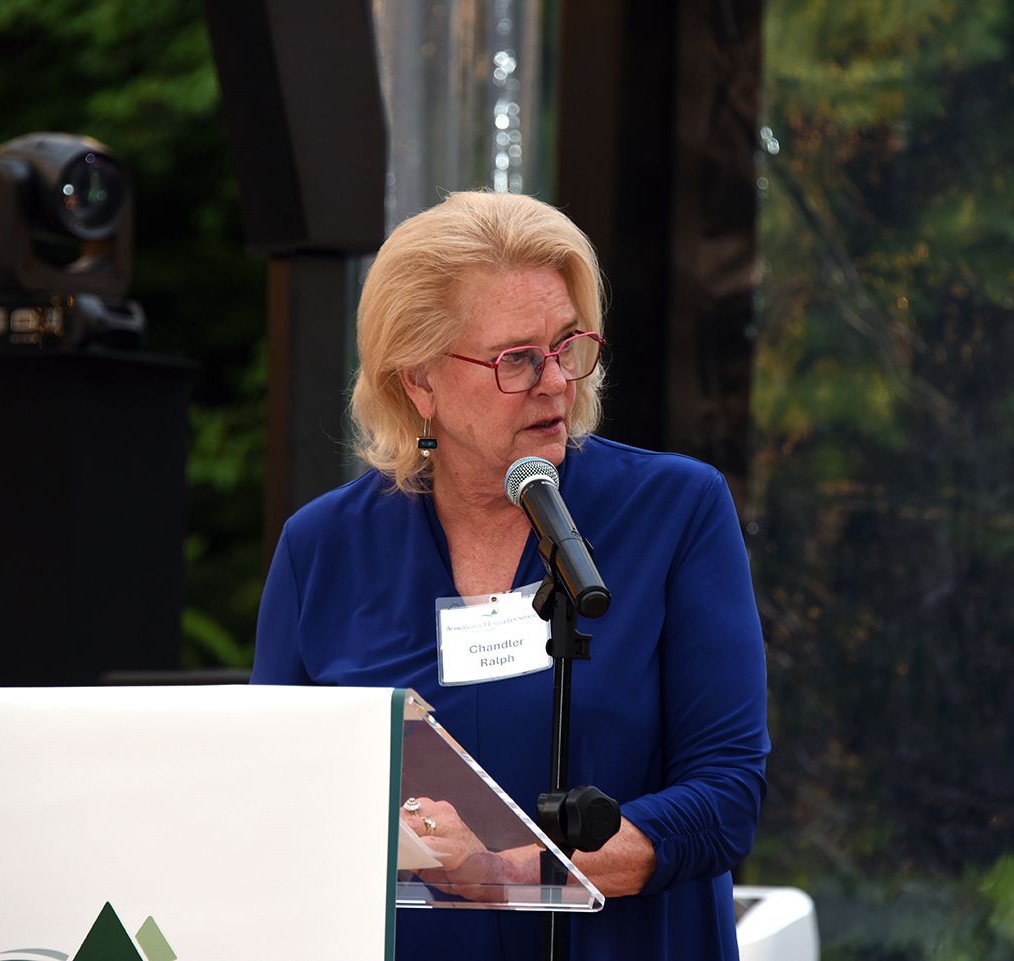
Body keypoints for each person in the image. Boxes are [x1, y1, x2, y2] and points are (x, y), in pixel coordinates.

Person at [252, 191, 769, 960]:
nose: (556, 381)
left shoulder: (674, 511)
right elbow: (271, 802)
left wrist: (498, 873)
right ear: (418, 379)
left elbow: (725, 798)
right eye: (517, 358)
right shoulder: (322, 547)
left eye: (568, 345)